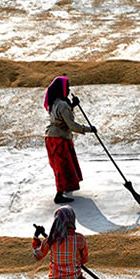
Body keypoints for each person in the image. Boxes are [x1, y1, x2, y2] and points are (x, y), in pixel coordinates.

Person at [44, 75, 97, 204]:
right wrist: (90, 129)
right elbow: (72, 125)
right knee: (62, 167)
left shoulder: (55, 102)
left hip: (53, 137)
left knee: (62, 166)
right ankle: (59, 195)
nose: (68, 90)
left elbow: (62, 117)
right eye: (67, 87)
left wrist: (72, 105)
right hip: (59, 139)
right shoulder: (62, 105)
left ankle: (64, 189)